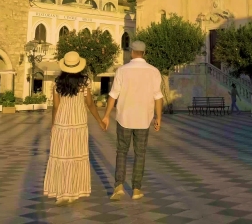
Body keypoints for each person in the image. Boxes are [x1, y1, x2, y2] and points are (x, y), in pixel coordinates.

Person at [101, 41, 162, 201]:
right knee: (140, 154)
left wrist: (106, 115)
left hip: (124, 118)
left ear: (132, 52)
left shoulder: (122, 70)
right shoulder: (154, 71)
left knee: (121, 151)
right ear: (144, 53)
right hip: (143, 119)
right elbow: (158, 96)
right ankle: (136, 189)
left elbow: (113, 95)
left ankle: (119, 185)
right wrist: (158, 117)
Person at [43, 51, 105, 206]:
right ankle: (73, 192)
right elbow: (90, 104)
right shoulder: (85, 83)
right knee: (76, 157)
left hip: (62, 124)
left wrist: (53, 125)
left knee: (62, 157)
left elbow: (56, 106)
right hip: (79, 124)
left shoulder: (57, 83)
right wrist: (99, 120)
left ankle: (62, 193)